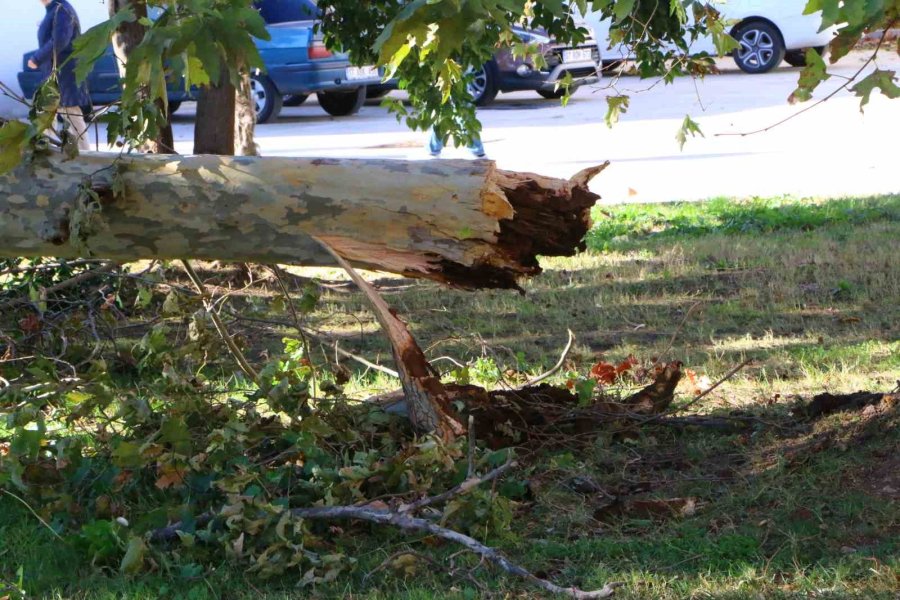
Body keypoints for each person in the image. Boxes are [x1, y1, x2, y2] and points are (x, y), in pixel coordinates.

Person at [27, 0, 91, 150]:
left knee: (69, 112)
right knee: (47, 113)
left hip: (63, 72)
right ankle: (45, 150)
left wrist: (37, 58)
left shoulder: (61, 10)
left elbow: (60, 40)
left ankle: (85, 155)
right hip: (54, 72)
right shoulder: (54, 10)